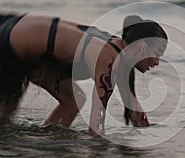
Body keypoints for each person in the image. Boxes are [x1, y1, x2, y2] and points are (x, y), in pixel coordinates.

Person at [0, 13, 168, 135]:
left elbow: (135, 112)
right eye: (158, 54)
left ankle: (45, 144)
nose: (157, 63)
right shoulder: (110, 60)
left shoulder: (120, 52)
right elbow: (95, 129)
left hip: (19, 29)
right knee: (4, 121)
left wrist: (151, 142)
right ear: (142, 48)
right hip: (11, 44)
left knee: (72, 101)